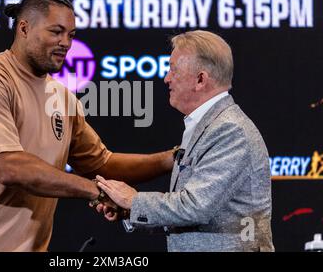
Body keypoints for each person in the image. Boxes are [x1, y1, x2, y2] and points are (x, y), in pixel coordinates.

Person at [0, 0, 173, 252]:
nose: (66, 42)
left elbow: (102, 163)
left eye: (71, 35)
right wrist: (96, 191)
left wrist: (170, 159)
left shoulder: (62, 98)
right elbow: (10, 167)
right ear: (24, 28)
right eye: (56, 31)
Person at [95, 30, 274, 252]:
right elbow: (200, 218)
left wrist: (134, 200)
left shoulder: (229, 130)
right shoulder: (207, 125)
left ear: (200, 80)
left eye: (173, 69)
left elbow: (195, 206)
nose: (166, 78)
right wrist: (130, 211)